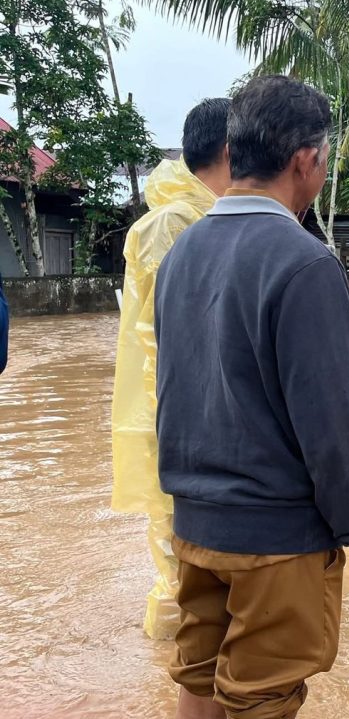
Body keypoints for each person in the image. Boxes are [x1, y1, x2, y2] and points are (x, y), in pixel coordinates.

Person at [153, 75, 349, 719]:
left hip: (192, 522)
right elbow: (332, 422)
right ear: (305, 160)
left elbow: (173, 389)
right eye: (325, 161)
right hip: (274, 536)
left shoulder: (180, 253)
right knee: (263, 695)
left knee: (199, 674)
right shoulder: (303, 262)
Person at [109, 98, 232, 640]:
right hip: (176, 415)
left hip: (185, 413)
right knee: (180, 553)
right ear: (232, 150)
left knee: (192, 552)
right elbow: (163, 338)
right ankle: (174, 665)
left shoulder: (195, 214)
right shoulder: (173, 224)